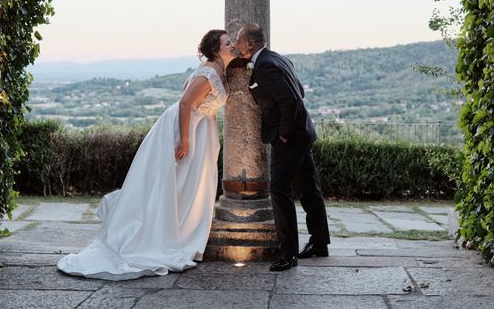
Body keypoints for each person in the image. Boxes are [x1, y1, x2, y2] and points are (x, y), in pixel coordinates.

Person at [57, 29, 236, 280]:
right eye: (228, 43)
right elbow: (186, 103)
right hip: (184, 126)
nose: (233, 45)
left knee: (189, 186)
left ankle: (184, 233)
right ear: (216, 49)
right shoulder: (208, 73)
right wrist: (184, 138)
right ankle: (160, 236)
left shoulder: (221, 71)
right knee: (175, 181)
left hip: (201, 126)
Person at [235, 23, 330, 272]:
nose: (236, 44)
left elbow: (290, 98)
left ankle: (288, 254)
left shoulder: (265, 65)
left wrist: (284, 133)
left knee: (278, 190)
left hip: (291, 137)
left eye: (239, 41)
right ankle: (320, 243)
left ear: (250, 44)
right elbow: (299, 90)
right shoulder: (277, 57)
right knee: (310, 188)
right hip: (304, 133)